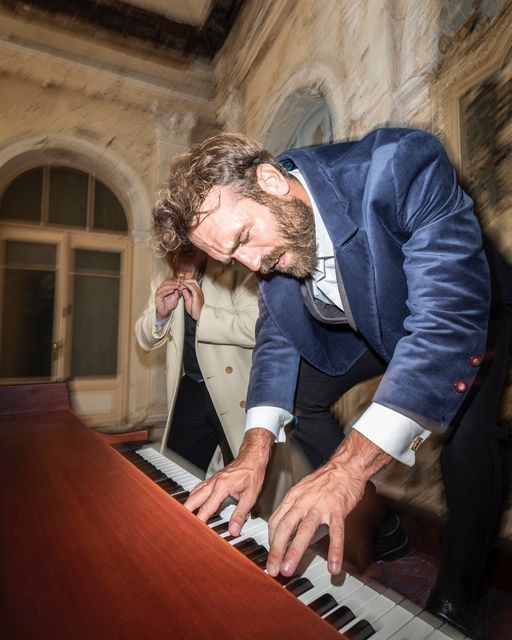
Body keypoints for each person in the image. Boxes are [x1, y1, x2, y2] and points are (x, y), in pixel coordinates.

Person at [152, 130, 511, 639]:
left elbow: (445, 324)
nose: (252, 265)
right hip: (374, 323)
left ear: (272, 181)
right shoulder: (270, 232)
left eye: (244, 239)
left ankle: (460, 594)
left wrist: (348, 469)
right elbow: (277, 337)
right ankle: (381, 527)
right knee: (299, 398)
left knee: (467, 435)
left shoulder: (399, 166)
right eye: (233, 259)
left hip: (473, 312)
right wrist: (254, 452)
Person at [135, 245, 259, 472]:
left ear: (203, 248)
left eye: (187, 252)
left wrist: (204, 314)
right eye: (172, 253)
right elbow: (143, 339)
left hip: (234, 388)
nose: (178, 260)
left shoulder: (238, 273)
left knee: (243, 471)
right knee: (174, 470)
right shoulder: (163, 278)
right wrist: (160, 315)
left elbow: (256, 328)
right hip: (192, 385)